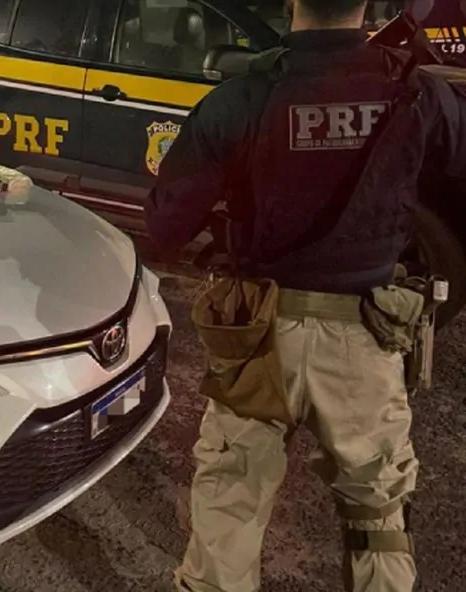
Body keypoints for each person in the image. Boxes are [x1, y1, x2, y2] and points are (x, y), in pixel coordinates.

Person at [144, 1, 466, 591]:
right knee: (377, 517)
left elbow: (166, 228)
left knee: (231, 500)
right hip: (367, 339)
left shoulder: (240, 99)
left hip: (256, 340)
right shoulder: (417, 93)